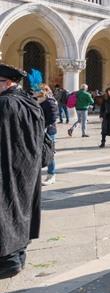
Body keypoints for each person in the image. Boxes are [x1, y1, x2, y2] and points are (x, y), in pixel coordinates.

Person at [0, 64, 44, 280]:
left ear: (7, 83)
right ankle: (18, 256)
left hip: (6, 167)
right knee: (22, 210)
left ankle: (8, 262)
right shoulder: (30, 102)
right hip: (27, 168)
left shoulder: (5, 103)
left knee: (6, 211)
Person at [37, 85, 58, 186]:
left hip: (49, 131)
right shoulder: (37, 101)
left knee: (49, 153)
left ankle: (51, 175)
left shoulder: (50, 102)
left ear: (44, 91)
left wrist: (43, 125)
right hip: (38, 130)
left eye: (37, 90)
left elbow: (53, 118)